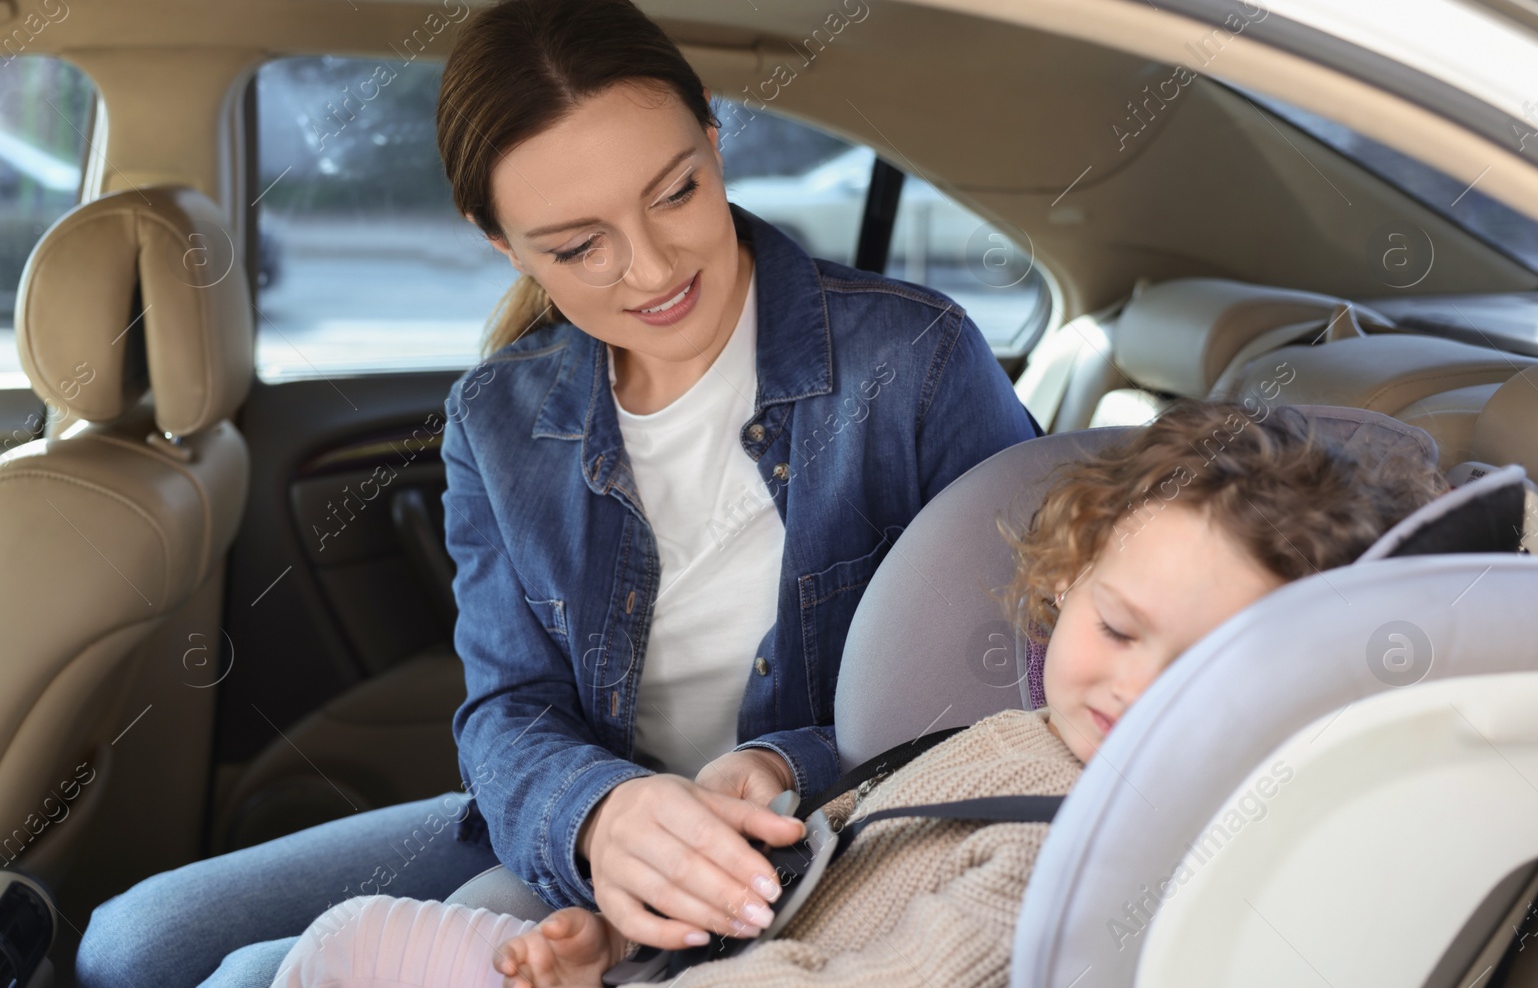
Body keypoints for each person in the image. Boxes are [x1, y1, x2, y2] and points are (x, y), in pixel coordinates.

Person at [74, 0, 1040, 988]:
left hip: (834, 821)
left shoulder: (916, 360)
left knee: (252, 975)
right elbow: (507, 708)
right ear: (501, 244)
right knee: (129, 945)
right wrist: (599, 813)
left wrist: (787, 766)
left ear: (712, 138)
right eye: (578, 247)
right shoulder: (494, 419)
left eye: (676, 191)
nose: (654, 268)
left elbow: (1011, 673)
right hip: (582, 821)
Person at [267, 398, 1448, 988]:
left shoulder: (1098, 844)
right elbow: (823, 862)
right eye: (1118, 627)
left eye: (1198, 667)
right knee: (346, 938)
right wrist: (618, 942)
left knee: (343, 944)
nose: (1133, 686)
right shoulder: (1019, 734)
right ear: (1067, 581)